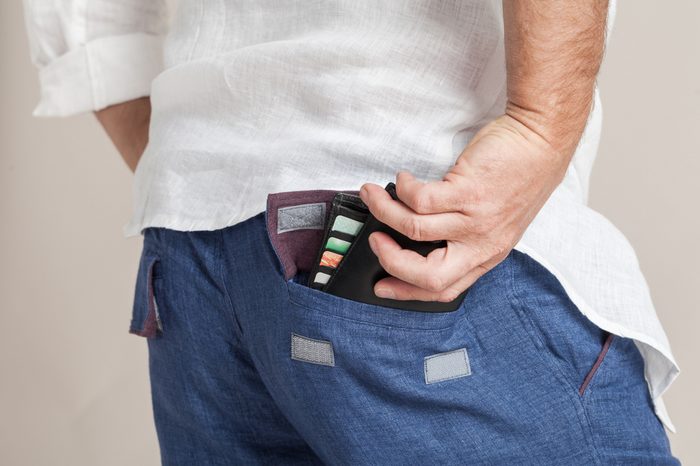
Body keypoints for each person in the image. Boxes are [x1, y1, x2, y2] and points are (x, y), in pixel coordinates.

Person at [23, 0, 681, 464]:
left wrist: (188, 171)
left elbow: (79, 13)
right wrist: (538, 124)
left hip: (197, 258)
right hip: (413, 224)